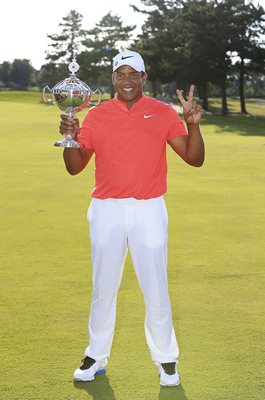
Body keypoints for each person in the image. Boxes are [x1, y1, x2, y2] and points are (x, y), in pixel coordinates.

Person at [59, 50, 204, 387]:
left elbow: (193, 158)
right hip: (106, 209)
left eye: (133, 74)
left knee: (156, 288)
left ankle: (166, 359)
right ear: (113, 78)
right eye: (120, 74)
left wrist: (192, 126)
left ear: (144, 78)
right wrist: (69, 138)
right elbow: (75, 167)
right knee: (103, 288)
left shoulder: (162, 112)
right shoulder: (95, 115)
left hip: (149, 208)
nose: (126, 80)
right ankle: (96, 355)